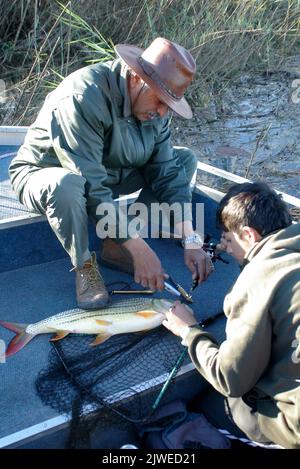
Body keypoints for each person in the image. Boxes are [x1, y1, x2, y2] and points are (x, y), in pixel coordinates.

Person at [9, 37, 214, 310]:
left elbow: (168, 173)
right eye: (160, 101)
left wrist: (191, 240)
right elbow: (90, 185)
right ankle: (84, 267)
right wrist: (140, 249)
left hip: (109, 172)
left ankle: (116, 249)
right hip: (47, 174)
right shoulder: (83, 95)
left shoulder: (155, 113)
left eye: (169, 105)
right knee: (67, 185)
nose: (163, 113)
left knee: (184, 160)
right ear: (134, 79)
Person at [163, 181, 300, 449]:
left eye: (227, 239)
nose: (224, 247)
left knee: (208, 407)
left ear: (249, 235)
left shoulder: (259, 277)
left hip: (292, 424)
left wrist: (188, 331)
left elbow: (229, 378)